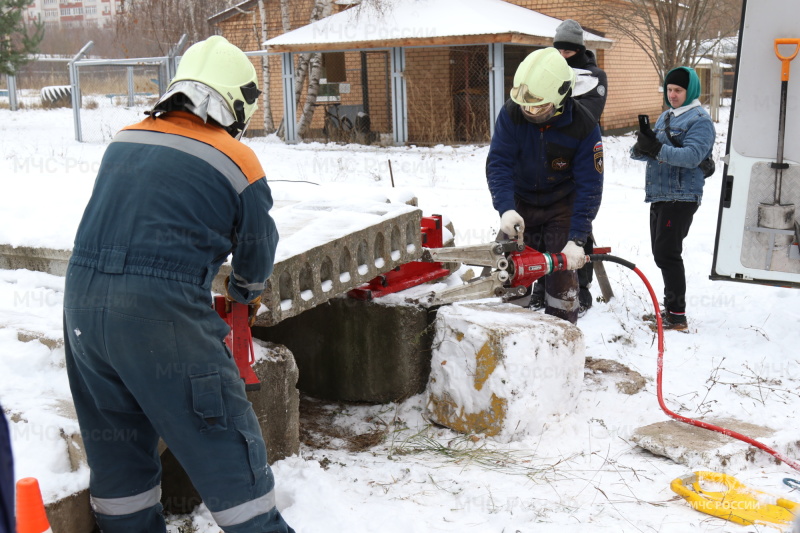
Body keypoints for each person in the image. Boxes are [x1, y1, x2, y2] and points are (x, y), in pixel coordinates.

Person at [63, 36, 293, 533]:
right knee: (226, 449)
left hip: (81, 305)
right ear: (235, 102)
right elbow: (256, 253)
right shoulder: (238, 160)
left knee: (119, 460)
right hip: (159, 313)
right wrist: (243, 296)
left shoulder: (125, 137)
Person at [486, 47, 604, 325]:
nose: (530, 111)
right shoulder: (512, 114)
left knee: (562, 280)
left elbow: (590, 185)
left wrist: (577, 239)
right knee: (508, 273)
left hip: (562, 206)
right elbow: (499, 163)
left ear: (560, 96)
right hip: (520, 204)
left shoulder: (583, 126)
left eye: (538, 106)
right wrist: (505, 209)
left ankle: (560, 337)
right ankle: (509, 336)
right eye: (525, 105)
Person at [530, 19, 609, 314]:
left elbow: (585, 114)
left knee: (578, 230)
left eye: (569, 50)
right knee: (540, 230)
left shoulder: (594, 76)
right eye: (559, 49)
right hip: (544, 162)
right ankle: (542, 286)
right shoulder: (546, 71)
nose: (563, 55)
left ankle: (581, 288)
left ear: (579, 49)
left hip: (577, 161)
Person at [630, 66, 714, 330]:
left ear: (690, 91)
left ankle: (677, 316)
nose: (673, 95)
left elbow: (691, 157)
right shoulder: (666, 116)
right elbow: (646, 153)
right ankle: (671, 309)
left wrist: (656, 148)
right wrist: (642, 144)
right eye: (669, 90)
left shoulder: (700, 120)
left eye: (678, 90)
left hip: (682, 194)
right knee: (660, 253)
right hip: (659, 193)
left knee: (668, 253)